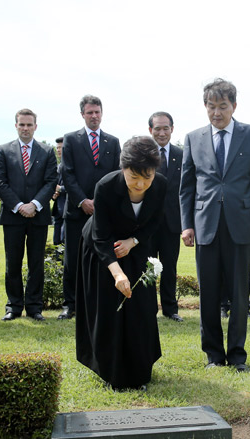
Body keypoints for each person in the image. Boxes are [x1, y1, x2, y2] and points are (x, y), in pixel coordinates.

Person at [179, 78, 250, 372]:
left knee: (240, 294)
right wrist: (187, 225)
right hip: (205, 226)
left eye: (222, 106)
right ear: (205, 106)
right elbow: (187, 187)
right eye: (211, 106)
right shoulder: (193, 138)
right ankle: (214, 355)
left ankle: (238, 355)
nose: (216, 112)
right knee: (208, 294)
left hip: (241, 224)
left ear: (234, 106)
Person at [76, 136, 166, 390]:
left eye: (146, 178)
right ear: (123, 168)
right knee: (110, 308)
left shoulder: (160, 185)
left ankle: (139, 371)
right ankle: (111, 373)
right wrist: (116, 273)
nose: (140, 184)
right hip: (101, 248)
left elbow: (154, 222)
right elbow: (100, 236)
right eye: (134, 177)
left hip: (135, 247)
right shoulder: (105, 186)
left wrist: (133, 242)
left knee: (141, 307)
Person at [59, 95, 121, 320]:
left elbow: (117, 174)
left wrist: (101, 203)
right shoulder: (71, 140)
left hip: (104, 213)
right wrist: (82, 201)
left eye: (97, 112)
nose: (94, 116)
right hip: (77, 211)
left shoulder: (112, 142)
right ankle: (70, 305)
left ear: (102, 113)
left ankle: (99, 302)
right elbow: (67, 173)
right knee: (72, 260)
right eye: (89, 112)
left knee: (104, 257)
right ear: (82, 114)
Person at [0, 108, 58, 321]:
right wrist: (20, 205)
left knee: (36, 263)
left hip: (38, 216)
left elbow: (51, 182)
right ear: (16, 126)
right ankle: (13, 306)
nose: (25, 128)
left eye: (29, 124)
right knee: (13, 262)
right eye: (21, 124)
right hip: (13, 216)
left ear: (35, 127)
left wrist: (35, 204)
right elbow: (0, 181)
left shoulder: (47, 151)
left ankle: (34, 307)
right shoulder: (3, 150)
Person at [148, 111, 183, 322]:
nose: (162, 132)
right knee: (150, 267)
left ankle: (171, 309)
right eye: (158, 128)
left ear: (172, 129)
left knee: (170, 267)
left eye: (166, 128)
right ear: (150, 130)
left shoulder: (182, 154)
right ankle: (148, 308)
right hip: (147, 223)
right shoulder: (143, 154)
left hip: (173, 221)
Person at [51, 137, 66, 246]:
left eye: (61, 147)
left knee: (64, 240)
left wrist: (60, 189)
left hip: (68, 209)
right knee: (56, 242)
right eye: (57, 148)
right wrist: (53, 194)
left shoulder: (74, 167)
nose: (58, 150)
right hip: (57, 210)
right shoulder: (57, 167)